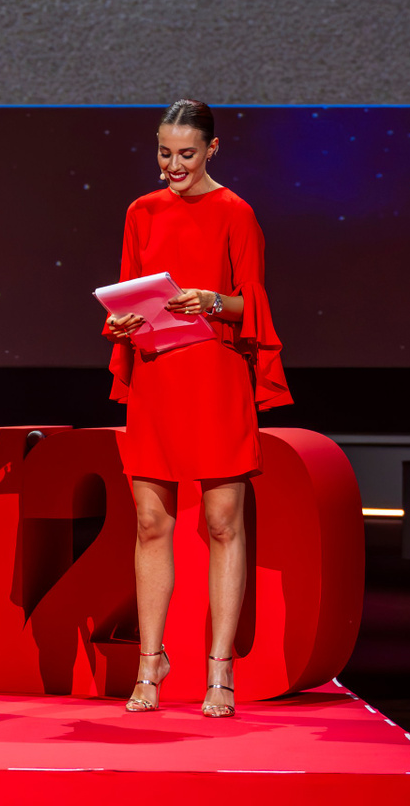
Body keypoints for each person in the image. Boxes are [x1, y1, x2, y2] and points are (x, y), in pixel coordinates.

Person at [102, 98, 290, 719]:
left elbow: (252, 307)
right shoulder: (141, 211)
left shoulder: (236, 211)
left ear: (212, 149)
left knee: (222, 522)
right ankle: (150, 662)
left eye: (186, 153)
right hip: (158, 375)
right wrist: (120, 322)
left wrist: (212, 300)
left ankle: (219, 668)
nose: (173, 165)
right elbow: (128, 293)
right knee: (150, 523)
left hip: (215, 375)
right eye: (165, 153)